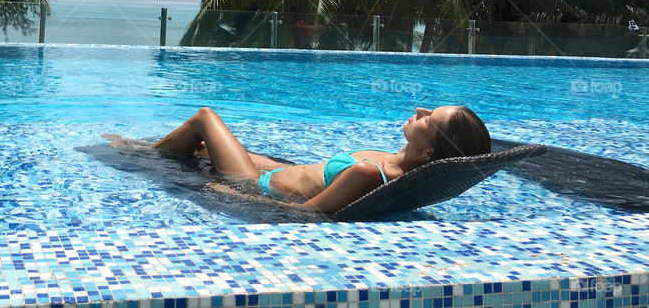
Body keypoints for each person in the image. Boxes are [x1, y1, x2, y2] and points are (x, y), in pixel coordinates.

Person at [103, 105, 490, 214]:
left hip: (255, 184)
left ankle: (136, 152)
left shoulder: (367, 173)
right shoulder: (392, 161)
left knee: (205, 118)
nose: (420, 109)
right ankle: (140, 148)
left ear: (428, 153)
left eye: (429, 119)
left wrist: (230, 194)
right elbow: (314, 176)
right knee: (202, 147)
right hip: (274, 171)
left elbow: (307, 213)